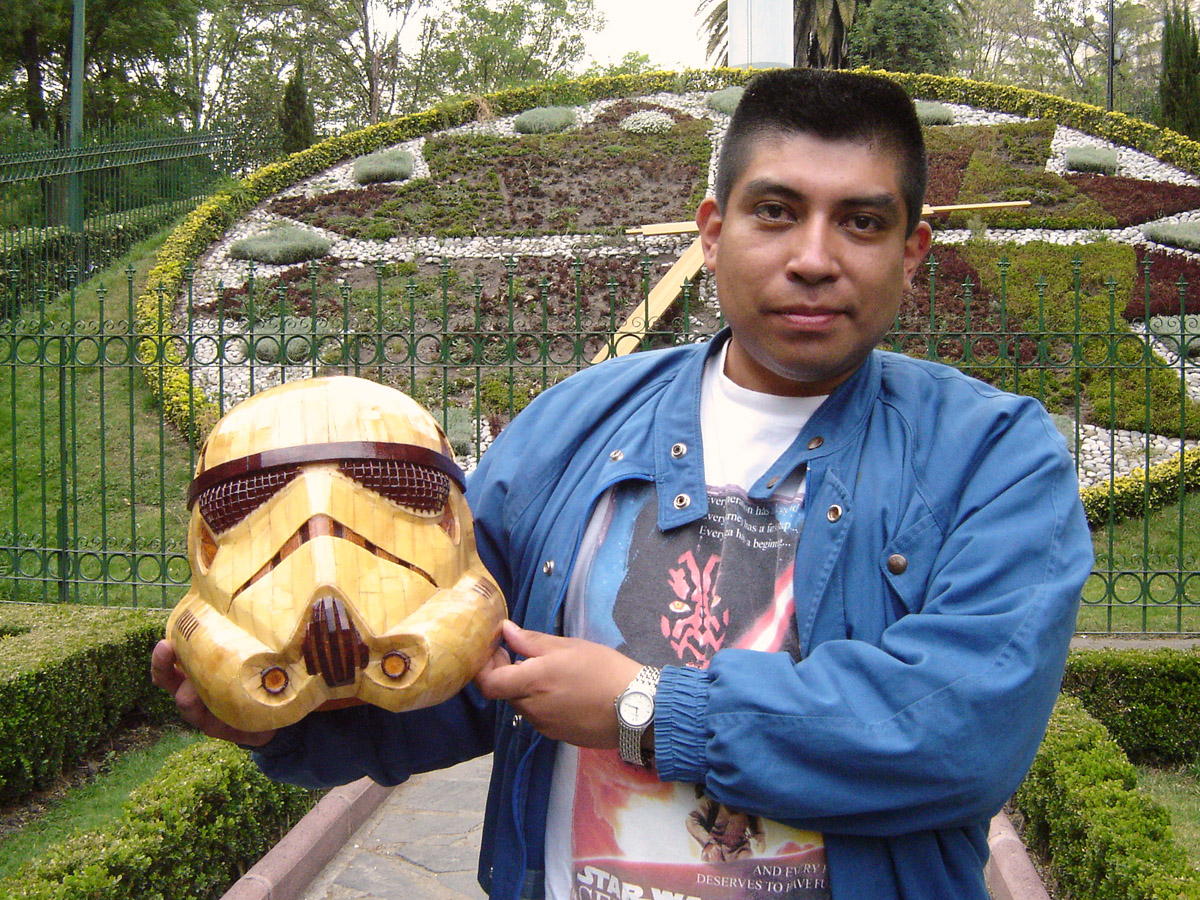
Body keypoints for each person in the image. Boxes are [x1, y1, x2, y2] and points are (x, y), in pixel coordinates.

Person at [152, 68, 1094, 900]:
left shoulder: (994, 456)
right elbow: (467, 672)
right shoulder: (572, 426)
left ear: (912, 253)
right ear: (713, 232)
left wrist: (645, 709)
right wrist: (286, 710)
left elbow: (957, 733)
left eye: (861, 220)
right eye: (776, 211)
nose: (815, 256)